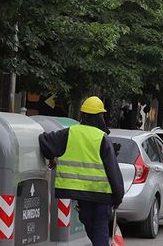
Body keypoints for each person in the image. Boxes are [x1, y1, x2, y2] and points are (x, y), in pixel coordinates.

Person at [39, 96, 124, 246]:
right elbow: (113, 170)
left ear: (83, 115)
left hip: (82, 196)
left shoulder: (69, 133)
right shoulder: (102, 138)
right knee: (99, 230)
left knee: (91, 227)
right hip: (101, 196)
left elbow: (44, 141)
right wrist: (118, 197)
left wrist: (51, 158)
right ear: (100, 116)